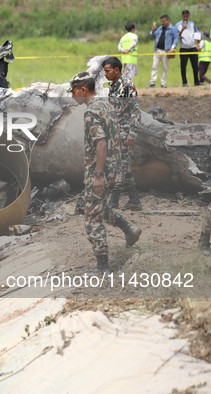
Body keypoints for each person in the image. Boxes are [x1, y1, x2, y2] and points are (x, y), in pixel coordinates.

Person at [68, 72, 142, 275]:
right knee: (96, 208)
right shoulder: (107, 105)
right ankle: (128, 228)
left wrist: (98, 174)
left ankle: (103, 267)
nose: (72, 96)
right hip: (115, 169)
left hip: (100, 172)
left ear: (83, 90)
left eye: (73, 91)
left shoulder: (91, 112)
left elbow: (101, 143)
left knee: (91, 218)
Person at [102, 56, 142, 211]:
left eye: (107, 71)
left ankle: (114, 201)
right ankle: (134, 201)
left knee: (120, 166)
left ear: (116, 70)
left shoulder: (127, 86)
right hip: (115, 133)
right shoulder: (113, 87)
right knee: (125, 166)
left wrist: (132, 133)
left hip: (125, 133)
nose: (105, 74)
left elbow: (135, 111)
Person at [147, 15, 178, 89]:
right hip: (157, 50)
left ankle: (163, 83)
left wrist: (173, 47)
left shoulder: (173, 29)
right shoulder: (160, 28)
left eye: (163, 21)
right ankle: (152, 82)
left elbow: (176, 39)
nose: (162, 23)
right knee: (154, 66)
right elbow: (153, 36)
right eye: (161, 21)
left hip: (166, 50)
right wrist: (153, 30)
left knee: (165, 67)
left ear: (167, 20)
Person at [175, 10, 200, 87]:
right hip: (184, 48)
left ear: (189, 16)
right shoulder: (178, 25)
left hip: (192, 47)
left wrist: (198, 44)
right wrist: (182, 29)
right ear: (182, 16)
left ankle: (196, 81)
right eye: (184, 16)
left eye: (187, 16)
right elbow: (177, 36)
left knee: (195, 65)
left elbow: (197, 34)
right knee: (183, 66)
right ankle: (184, 82)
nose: (186, 18)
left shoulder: (192, 24)